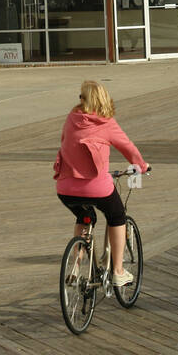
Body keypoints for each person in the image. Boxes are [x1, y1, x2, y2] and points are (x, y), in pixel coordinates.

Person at [54, 80, 148, 287]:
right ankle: (118, 271)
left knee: (84, 216)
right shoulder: (106, 122)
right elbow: (127, 147)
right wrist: (140, 165)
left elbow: (64, 143)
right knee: (116, 216)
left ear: (85, 100)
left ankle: (76, 268)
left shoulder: (71, 118)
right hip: (95, 188)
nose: (78, 99)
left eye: (81, 96)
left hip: (65, 188)